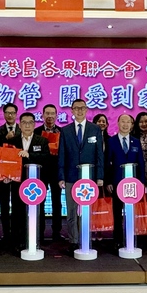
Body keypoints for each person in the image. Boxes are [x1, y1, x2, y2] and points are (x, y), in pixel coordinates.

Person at [58, 99, 105, 248]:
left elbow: (99, 154)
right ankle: (73, 241)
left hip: (89, 177)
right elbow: (62, 155)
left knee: (86, 210)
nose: (79, 111)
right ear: (71, 111)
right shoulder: (65, 130)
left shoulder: (95, 129)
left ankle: (86, 240)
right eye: (76, 108)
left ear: (86, 110)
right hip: (70, 175)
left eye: (82, 108)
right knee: (71, 212)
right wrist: (61, 176)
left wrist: (99, 176)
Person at [7, 112, 51, 253]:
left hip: (37, 185)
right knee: (18, 212)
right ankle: (18, 241)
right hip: (18, 183)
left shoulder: (42, 141)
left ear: (34, 124)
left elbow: (46, 159)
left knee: (38, 212)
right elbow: (8, 162)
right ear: (19, 125)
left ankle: (37, 239)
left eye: (30, 122)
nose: (27, 125)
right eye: (24, 122)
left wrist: (29, 155)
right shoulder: (12, 141)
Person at [105, 114, 146, 248]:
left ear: (132, 125)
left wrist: (142, 182)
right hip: (116, 182)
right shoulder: (111, 141)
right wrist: (108, 182)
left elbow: (141, 162)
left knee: (131, 212)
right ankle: (117, 240)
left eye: (128, 122)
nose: (125, 124)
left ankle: (131, 239)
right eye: (123, 121)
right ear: (118, 123)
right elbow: (107, 163)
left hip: (133, 184)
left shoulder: (136, 141)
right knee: (117, 213)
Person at [35, 104, 64, 241]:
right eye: (47, 113)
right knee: (40, 202)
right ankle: (39, 232)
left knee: (57, 202)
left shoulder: (62, 132)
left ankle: (57, 232)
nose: (50, 116)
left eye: (52, 113)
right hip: (41, 172)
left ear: (56, 116)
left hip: (57, 172)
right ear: (42, 115)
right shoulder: (36, 132)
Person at [0, 103, 19, 243]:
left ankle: (16, 235)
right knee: (3, 204)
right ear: (4, 114)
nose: (10, 115)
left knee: (17, 205)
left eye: (12, 112)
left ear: (16, 114)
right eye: (7, 112)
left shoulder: (21, 130)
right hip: (2, 174)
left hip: (17, 174)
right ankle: (6, 234)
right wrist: (5, 139)